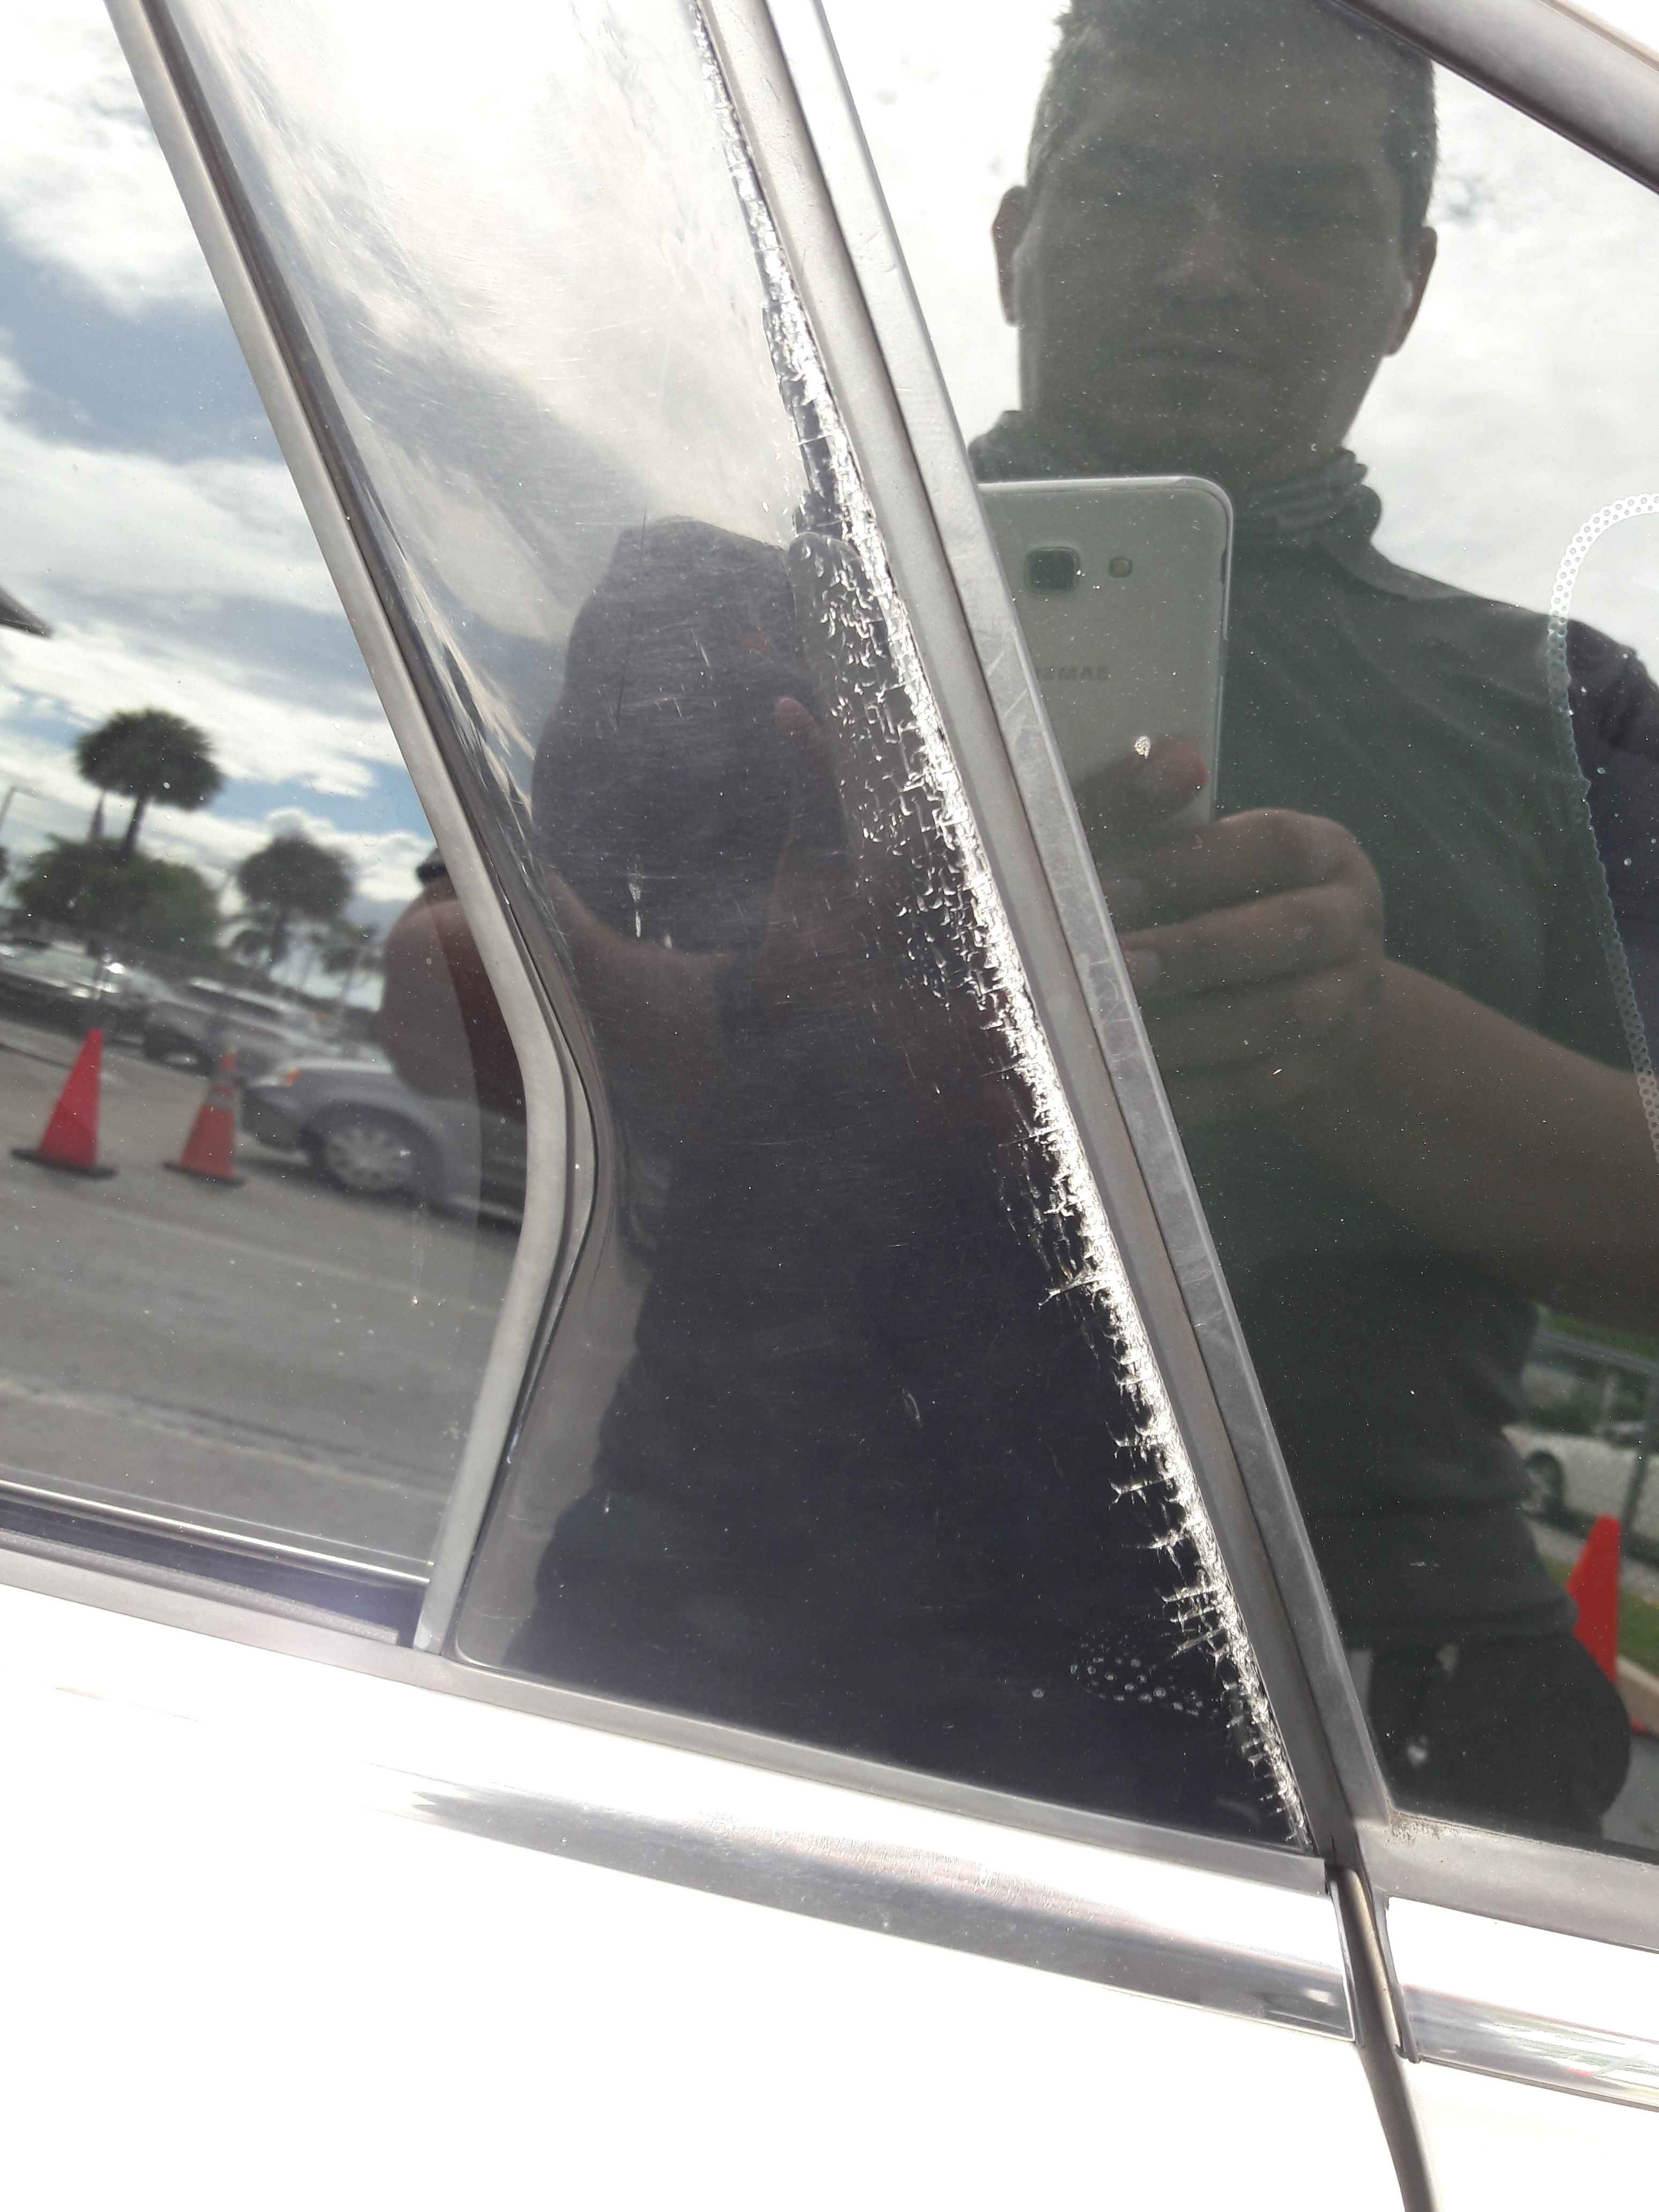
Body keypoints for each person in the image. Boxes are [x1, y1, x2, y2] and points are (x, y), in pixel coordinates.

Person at [383, 0, 1657, 1837]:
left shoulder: (1570, 704)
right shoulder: (725, 598)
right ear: (1011, 241)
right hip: (739, 1634)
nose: (1207, 265)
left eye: (1300, 210)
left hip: (1350, 1733)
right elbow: (433, 994)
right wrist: (788, 997)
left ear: (1409, 284)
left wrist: (1345, 1027)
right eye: (1134, 185)